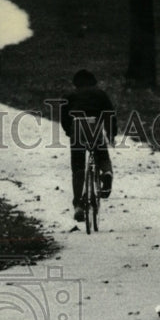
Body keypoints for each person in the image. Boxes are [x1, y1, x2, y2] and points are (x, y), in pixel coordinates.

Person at [59, 69, 117, 222]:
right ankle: (106, 172)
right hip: (94, 126)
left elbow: (64, 118)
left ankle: (78, 204)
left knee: (78, 166)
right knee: (102, 154)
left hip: (77, 128)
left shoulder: (69, 96)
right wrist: (111, 134)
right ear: (93, 81)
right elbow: (109, 114)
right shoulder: (100, 94)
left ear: (76, 83)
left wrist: (68, 131)